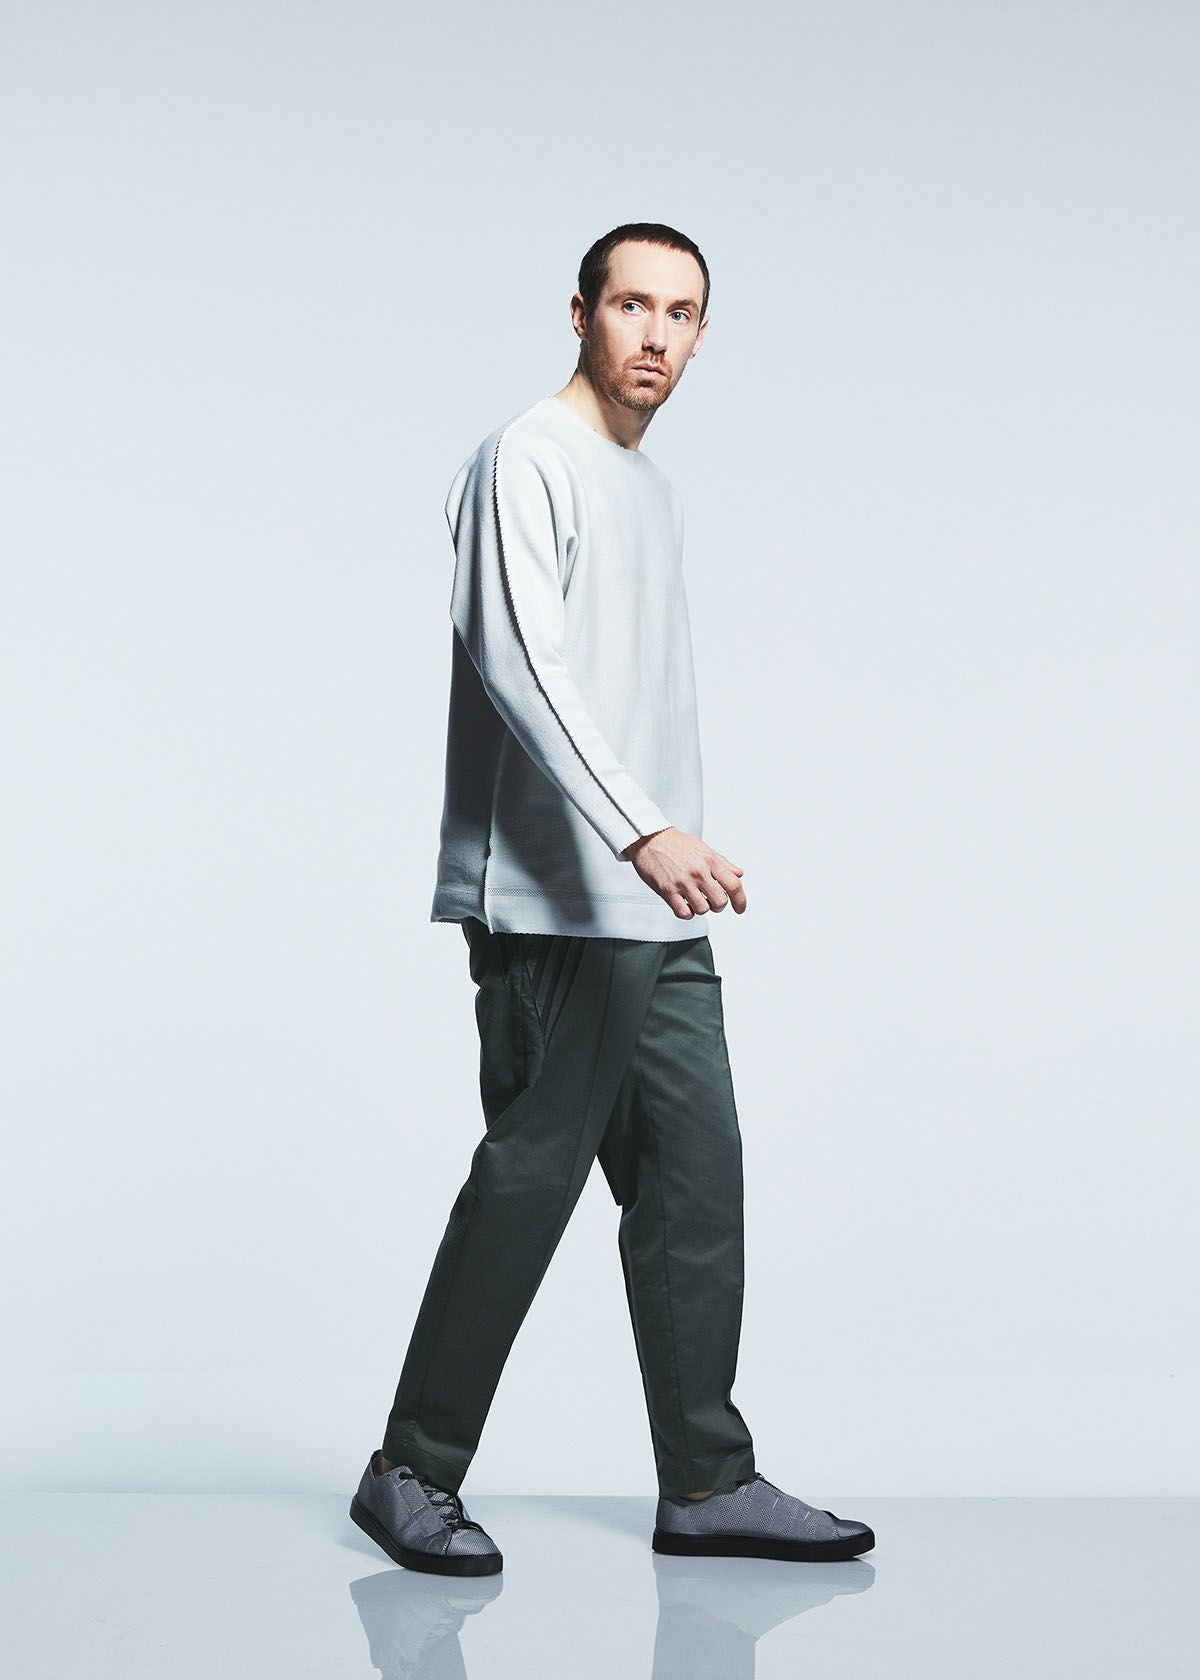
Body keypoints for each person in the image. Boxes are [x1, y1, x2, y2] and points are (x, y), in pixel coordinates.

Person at [348, 222, 875, 1576]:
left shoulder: (655, 489)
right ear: (580, 313)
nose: (655, 334)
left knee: (698, 1183)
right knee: (529, 1181)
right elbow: (521, 663)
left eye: (680, 313)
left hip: (653, 907)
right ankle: (410, 1470)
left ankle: (706, 1481)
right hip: (553, 903)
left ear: (702, 334)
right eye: (631, 304)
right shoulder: (524, 459)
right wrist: (644, 829)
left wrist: (666, 850)